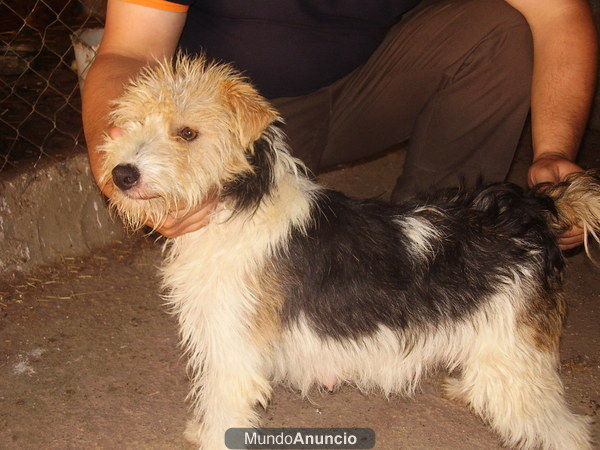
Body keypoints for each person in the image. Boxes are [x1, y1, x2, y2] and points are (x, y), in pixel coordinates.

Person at [82, 0, 598, 249]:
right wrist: (125, 159)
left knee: (497, 31)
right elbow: (129, 50)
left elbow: (559, 16)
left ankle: (440, 251)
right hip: (230, 127)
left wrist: (553, 152)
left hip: (368, 89)